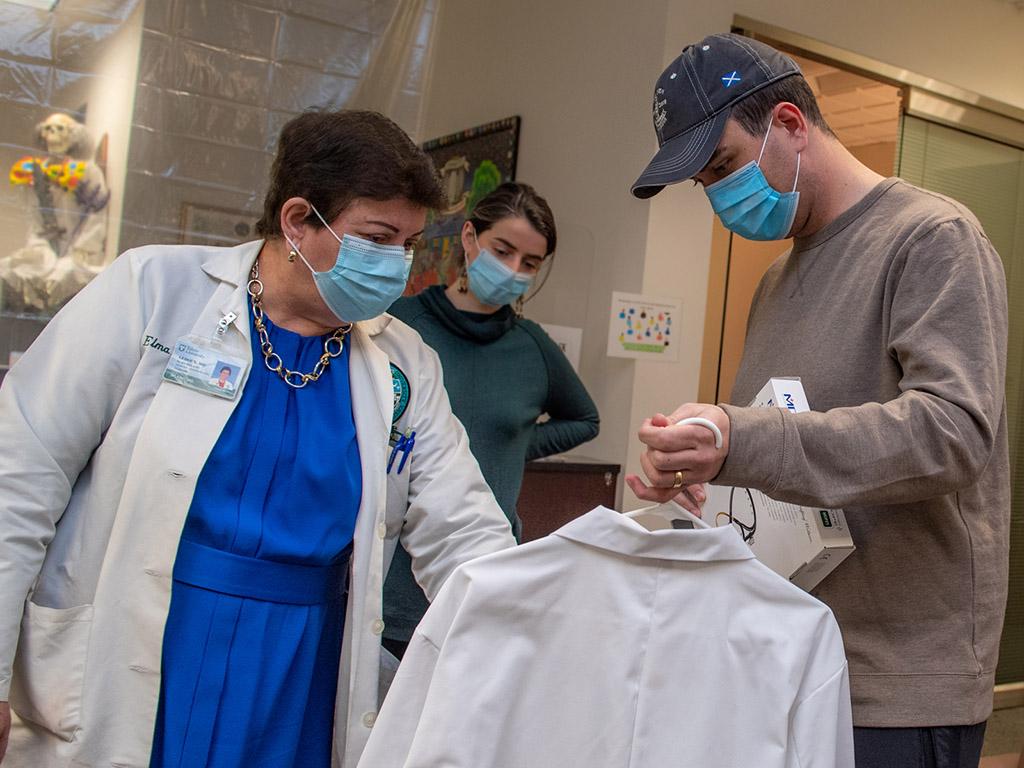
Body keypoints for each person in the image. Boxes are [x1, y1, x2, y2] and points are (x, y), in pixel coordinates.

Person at [0, 109, 515, 768]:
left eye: (408, 244)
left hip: (303, 668)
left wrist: (541, 611)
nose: (396, 266)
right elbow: (19, 478)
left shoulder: (402, 360)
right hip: (149, 641)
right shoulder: (153, 291)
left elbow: (463, 528)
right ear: (298, 220)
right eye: (378, 238)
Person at [627, 33, 1009, 768]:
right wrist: (704, 477)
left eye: (723, 168)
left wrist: (742, 439)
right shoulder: (775, 281)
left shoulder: (933, 237)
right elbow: (788, 450)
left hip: (894, 686)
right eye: (701, 184)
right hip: (783, 653)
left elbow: (953, 433)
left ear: (791, 125)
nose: (716, 197)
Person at [381, 181, 600, 659]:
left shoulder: (532, 347)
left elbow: (586, 419)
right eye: (502, 250)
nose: (513, 270)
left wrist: (518, 441)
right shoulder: (400, 327)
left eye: (530, 263)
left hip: (489, 568)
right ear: (468, 238)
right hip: (393, 581)